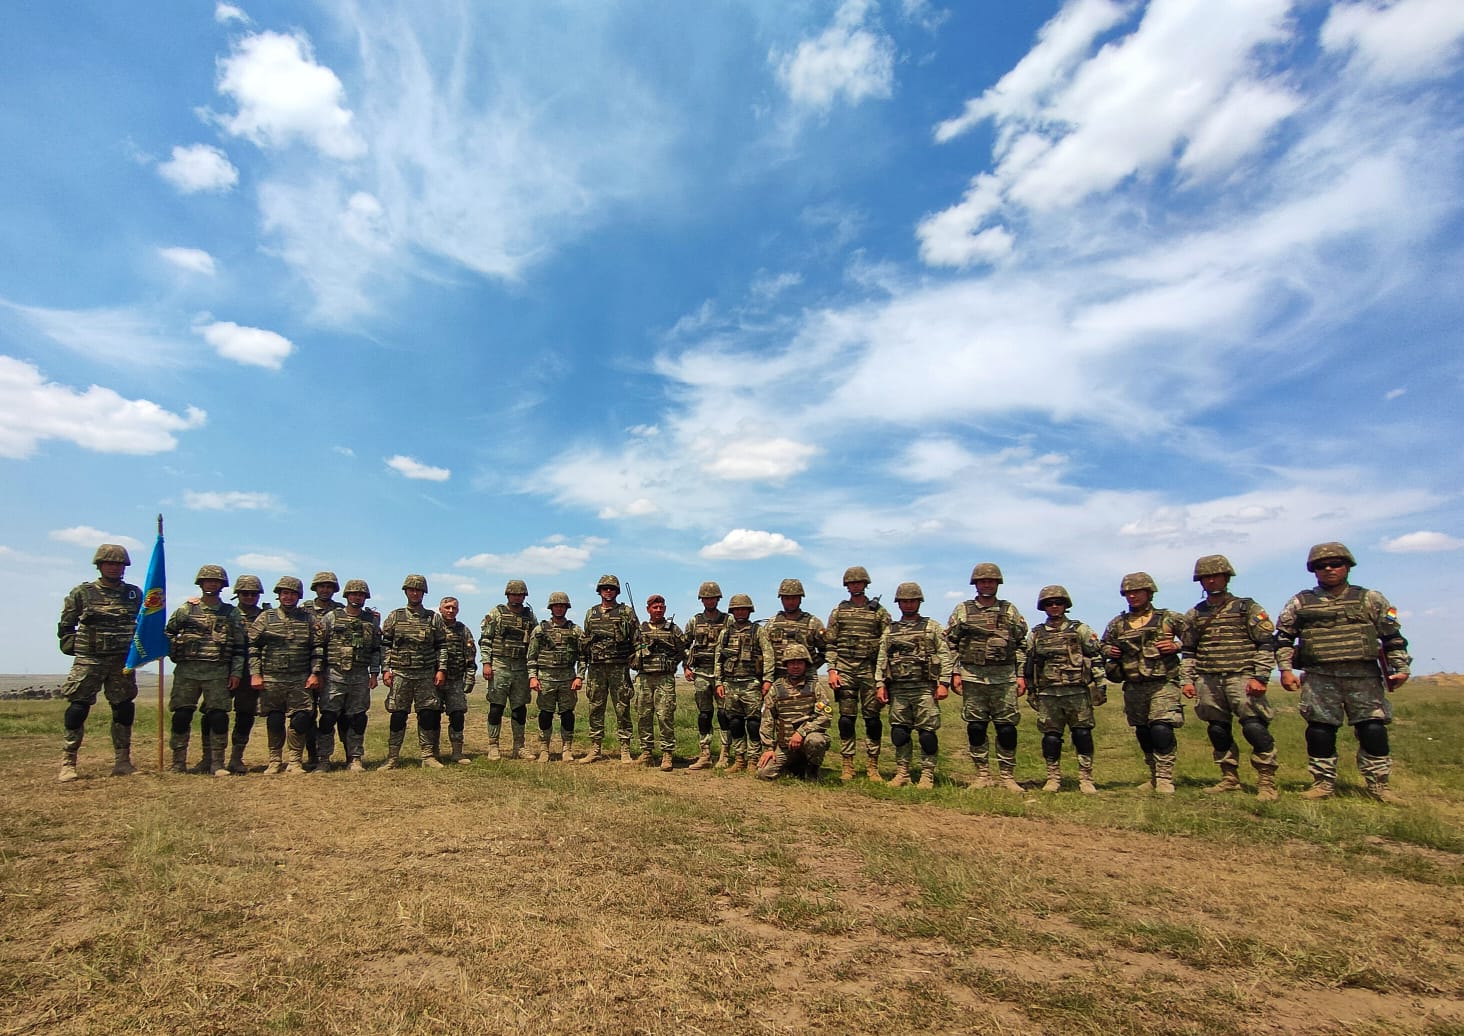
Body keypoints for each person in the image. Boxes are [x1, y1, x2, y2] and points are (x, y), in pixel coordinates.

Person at [1275, 542, 1411, 803]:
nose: (1328, 569)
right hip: (1320, 677)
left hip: (1363, 676)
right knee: (1319, 730)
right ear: (1313, 570)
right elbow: (1283, 638)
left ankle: (1379, 785)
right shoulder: (1300, 602)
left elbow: (1392, 637)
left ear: (1347, 566)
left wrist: (1401, 668)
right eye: (1321, 566)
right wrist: (1285, 670)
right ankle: (1322, 783)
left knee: (1372, 729)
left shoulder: (1370, 599)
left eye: (1335, 564)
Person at [1180, 555, 1279, 801]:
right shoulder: (1195, 613)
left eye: (1216, 576)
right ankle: (1229, 777)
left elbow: (1266, 644)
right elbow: (1189, 650)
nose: (1211, 581)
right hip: (1208, 679)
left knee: (1254, 727)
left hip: (1242, 677)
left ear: (1226, 577)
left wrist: (1261, 677)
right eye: (1206, 577)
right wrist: (1188, 680)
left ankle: (1266, 781)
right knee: (1217, 729)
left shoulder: (1247, 608)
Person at [55, 544, 143, 782]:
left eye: (119, 564)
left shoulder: (134, 594)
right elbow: (66, 625)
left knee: (123, 709)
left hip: (121, 661)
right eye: (109, 564)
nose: (114, 568)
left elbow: (145, 622)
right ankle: (68, 762)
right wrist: (77, 648)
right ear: (100, 565)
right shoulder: (82, 593)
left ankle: (123, 761)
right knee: (78, 708)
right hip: (90, 659)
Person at [945, 562, 1028, 793]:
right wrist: (955, 672)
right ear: (976, 584)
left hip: (1004, 677)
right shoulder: (963, 610)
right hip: (973, 676)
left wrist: (1021, 674)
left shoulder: (1009, 610)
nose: (987, 584)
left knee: (1006, 728)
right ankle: (982, 775)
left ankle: (1007, 776)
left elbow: (1021, 644)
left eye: (991, 581)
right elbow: (951, 643)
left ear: (997, 583)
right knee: (976, 727)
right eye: (982, 581)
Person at [1102, 574, 1187, 795]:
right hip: (1134, 685)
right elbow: (1102, 645)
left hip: (1163, 683)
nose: (1132, 596)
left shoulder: (1168, 618)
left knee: (1161, 727)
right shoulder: (1117, 624)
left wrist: (1176, 646)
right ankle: (1153, 775)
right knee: (1143, 731)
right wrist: (1110, 651)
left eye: (1137, 592)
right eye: (1128, 593)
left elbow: (1194, 637)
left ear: (1149, 592)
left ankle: (1165, 777)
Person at [164, 565, 247, 776]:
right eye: (208, 580)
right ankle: (178, 763)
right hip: (187, 671)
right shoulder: (186, 609)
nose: (211, 584)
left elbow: (239, 646)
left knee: (218, 717)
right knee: (181, 715)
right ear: (200, 583)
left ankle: (217, 763)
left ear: (222, 585)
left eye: (216, 581)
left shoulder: (231, 613)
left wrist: (236, 672)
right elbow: (167, 633)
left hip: (218, 672)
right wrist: (176, 648)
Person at [1024, 585, 1104, 794]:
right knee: (1051, 737)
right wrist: (1031, 690)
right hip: (1049, 693)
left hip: (1077, 691)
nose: (1054, 606)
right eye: (1049, 603)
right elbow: (1029, 664)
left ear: (1065, 605)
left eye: (1058, 603)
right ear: (1043, 607)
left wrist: (1100, 684)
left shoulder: (1080, 630)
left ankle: (1086, 778)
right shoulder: (1036, 634)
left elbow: (1096, 656)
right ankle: (1053, 778)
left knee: (1082, 734)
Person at [875, 582, 953, 789]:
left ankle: (927, 775)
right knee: (899, 733)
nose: (908, 604)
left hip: (925, 688)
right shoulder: (890, 630)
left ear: (919, 602)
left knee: (927, 734)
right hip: (898, 689)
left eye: (912, 601)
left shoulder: (932, 627)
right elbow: (882, 658)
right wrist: (880, 684)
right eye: (904, 601)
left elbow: (945, 655)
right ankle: (903, 773)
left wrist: (944, 683)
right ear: (898, 604)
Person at [249, 577, 323, 774]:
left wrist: (315, 673)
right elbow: (253, 647)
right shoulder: (266, 617)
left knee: (301, 719)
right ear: (279, 595)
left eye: (292, 594)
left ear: (299, 596)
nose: (288, 597)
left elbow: (317, 648)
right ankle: (274, 761)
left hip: (299, 678)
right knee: (274, 719)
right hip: (272, 678)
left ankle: (295, 761)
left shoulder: (308, 619)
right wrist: (255, 674)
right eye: (285, 593)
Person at [825, 566, 891, 781]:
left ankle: (873, 765)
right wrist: (832, 670)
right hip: (845, 669)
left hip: (869, 670)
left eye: (859, 582)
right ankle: (847, 764)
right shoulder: (839, 611)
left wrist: (882, 678)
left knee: (872, 719)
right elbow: (831, 643)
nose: (855, 586)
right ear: (847, 586)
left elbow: (888, 643)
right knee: (846, 719)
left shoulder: (879, 612)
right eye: (852, 583)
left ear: (865, 584)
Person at [380, 575, 448, 770]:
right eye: (411, 590)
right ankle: (392, 757)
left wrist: (441, 669)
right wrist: (386, 669)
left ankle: (428, 756)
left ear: (423, 593)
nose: (415, 593)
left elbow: (441, 646)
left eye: (418, 590)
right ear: (406, 592)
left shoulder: (433, 617)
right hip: (401, 674)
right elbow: (386, 645)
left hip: (425, 674)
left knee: (427, 715)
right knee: (398, 715)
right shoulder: (395, 616)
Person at [317, 579, 382, 772]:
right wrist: (318, 673)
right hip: (334, 675)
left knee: (358, 718)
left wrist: (374, 673)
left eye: (361, 595)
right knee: (328, 717)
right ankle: (323, 759)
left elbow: (376, 649)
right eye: (354, 594)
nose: (357, 597)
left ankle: (355, 758)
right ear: (347, 595)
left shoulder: (370, 620)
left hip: (360, 676)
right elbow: (320, 646)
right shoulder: (331, 617)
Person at [578, 574, 639, 764]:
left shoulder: (626, 612)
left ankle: (625, 749)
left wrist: (637, 661)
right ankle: (595, 748)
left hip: (619, 668)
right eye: (605, 588)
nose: (608, 591)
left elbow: (637, 640)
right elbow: (585, 642)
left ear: (617, 591)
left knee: (622, 708)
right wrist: (582, 669)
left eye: (612, 588)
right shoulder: (591, 613)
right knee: (595, 708)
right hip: (596, 668)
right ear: (599, 591)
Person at [757, 644, 832, 781]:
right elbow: (767, 719)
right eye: (792, 663)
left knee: (816, 741)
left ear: (805, 665)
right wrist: (768, 748)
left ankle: (813, 770)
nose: (796, 666)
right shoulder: (776, 688)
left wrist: (801, 732)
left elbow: (825, 716)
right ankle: (795, 766)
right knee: (764, 774)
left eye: (799, 663)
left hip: (807, 741)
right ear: (786, 665)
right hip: (785, 746)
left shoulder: (815, 687)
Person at [480, 579, 535, 760]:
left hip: (521, 668)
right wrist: (486, 663)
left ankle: (519, 746)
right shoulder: (496, 613)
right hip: (500, 666)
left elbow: (535, 642)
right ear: (508, 595)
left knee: (519, 709)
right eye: (514, 594)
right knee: (496, 707)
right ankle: (493, 746)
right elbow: (486, 639)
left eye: (520, 595)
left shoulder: (529, 616)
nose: (517, 597)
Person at [527, 592, 584, 762]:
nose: (559, 608)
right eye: (556, 606)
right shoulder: (539, 630)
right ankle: (544, 749)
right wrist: (533, 677)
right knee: (545, 714)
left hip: (568, 679)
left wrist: (579, 676)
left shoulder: (575, 630)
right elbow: (532, 656)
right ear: (551, 608)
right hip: (546, 679)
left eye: (562, 606)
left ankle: (567, 749)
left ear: (567, 608)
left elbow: (583, 656)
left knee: (567, 714)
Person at [633, 594, 685, 770]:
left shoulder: (673, 629)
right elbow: (631, 650)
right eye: (655, 607)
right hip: (644, 678)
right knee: (643, 716)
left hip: (665, 678)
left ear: (665, 609)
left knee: (665, 716)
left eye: (661, 607)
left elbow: (682, 650)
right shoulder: (640, 629)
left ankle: (667, 754)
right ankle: (646, 753)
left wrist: (672, 663)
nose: (658, 610)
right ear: (648, 609)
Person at [713, 593, 764, 773]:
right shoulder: (726, 633)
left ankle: (753, 760)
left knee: (754, 723)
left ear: (749, 611)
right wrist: (719, 682)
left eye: (744, 609)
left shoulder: (758, 631)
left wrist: (767, 680)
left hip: (751, 684)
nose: (740, 612)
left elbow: (768, 656)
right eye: (737, 609)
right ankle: (740, 759)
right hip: (731, 683)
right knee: (735, 722)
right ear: (732, 611)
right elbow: (718, 659)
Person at [300, 572, 345, 770]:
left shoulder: (341, 610)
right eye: (322, 586)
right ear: (315, 588)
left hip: (335, 671)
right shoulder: (303, 610)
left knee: (335, 714)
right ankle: (313, 754)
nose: (325, 590)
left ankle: (346, 756)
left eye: (329, 587)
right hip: (307, 670)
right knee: (308, 715)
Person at [681, 581, 728, 770]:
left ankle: (725, 753)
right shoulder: (695, 621)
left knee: (725, 714)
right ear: (702, 600)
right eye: (706, 598)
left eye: (713, 598)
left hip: (723, 675)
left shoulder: (728, 620)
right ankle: (705, 753)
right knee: (704, 715)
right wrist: (686, 666)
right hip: (701, 673)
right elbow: (684, 645)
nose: (710, 601)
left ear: (718, 599)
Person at [225, 574, 269, 773]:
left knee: (245, 715)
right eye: (245, 594)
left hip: (251, 673)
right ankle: (210, 759)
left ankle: (236, 758)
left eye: (254, 594)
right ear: (238, 594)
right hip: (224, 670)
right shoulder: (227, 613)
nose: (250, 597)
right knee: (214, 713)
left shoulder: (265, 616)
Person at [759, 578, 827, 690]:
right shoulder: (772, 623)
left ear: (800, 599)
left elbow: (826, 650)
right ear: (781, 599)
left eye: (794, 598)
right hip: (777, 677)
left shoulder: (813, 622)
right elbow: (764, 651)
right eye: (787, 598)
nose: (790, 602)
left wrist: (809, 665)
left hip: (806, 678)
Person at [438, 596, 477, 764]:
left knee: (457, 715)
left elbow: (470, 656)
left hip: (455, 680)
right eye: (447, 607)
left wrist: (470, 677)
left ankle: (457, 752)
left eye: (453, 608)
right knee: (431, 715)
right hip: (434, 680)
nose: (450, 610)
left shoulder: (463, 630)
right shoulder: (434, 627)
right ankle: (433, 752)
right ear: (440, 609)